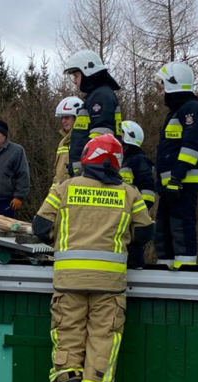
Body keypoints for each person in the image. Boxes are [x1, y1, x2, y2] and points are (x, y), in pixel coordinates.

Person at [32, 134, 154, 382]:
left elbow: (40, 227)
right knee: (103, 341)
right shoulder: (130, 194)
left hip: (69, 281)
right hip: (110, 286)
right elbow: (145, 233)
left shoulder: (65, 189)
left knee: (68, 335)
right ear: (117, 162)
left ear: (88, 156)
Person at [154, 61, 198, 269]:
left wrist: (177, 177)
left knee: (182, 229)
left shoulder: (192, 110)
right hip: (171, 186)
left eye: (163, 86)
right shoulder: (178, 111)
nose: (161, 92)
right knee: (165, 231)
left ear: (173, 85)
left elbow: (192, 147)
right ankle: (164, 270)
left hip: (182, 184)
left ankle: (185, 272)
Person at [64, 49, 122, 178]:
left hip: (92, 172)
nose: (74, 81)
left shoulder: (101, 96)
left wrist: (86, 169)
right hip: (90, 171)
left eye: (76, 75)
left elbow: (100, 139)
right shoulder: (98, 95)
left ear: (87, 72)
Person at [119, 120, 156, 268]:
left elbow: (148, 191)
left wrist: (139, 211)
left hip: (132, 216)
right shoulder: (122, 160)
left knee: (133, 250)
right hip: (120, 214)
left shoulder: (139, 160)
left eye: (120, 134)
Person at [52, 96, 85, 190]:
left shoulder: (84, 140)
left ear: (77, 118)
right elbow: (58, 173)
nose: (63, 121)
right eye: (62, 118)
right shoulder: (63, 141)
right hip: (60, 191)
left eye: (66, 117)